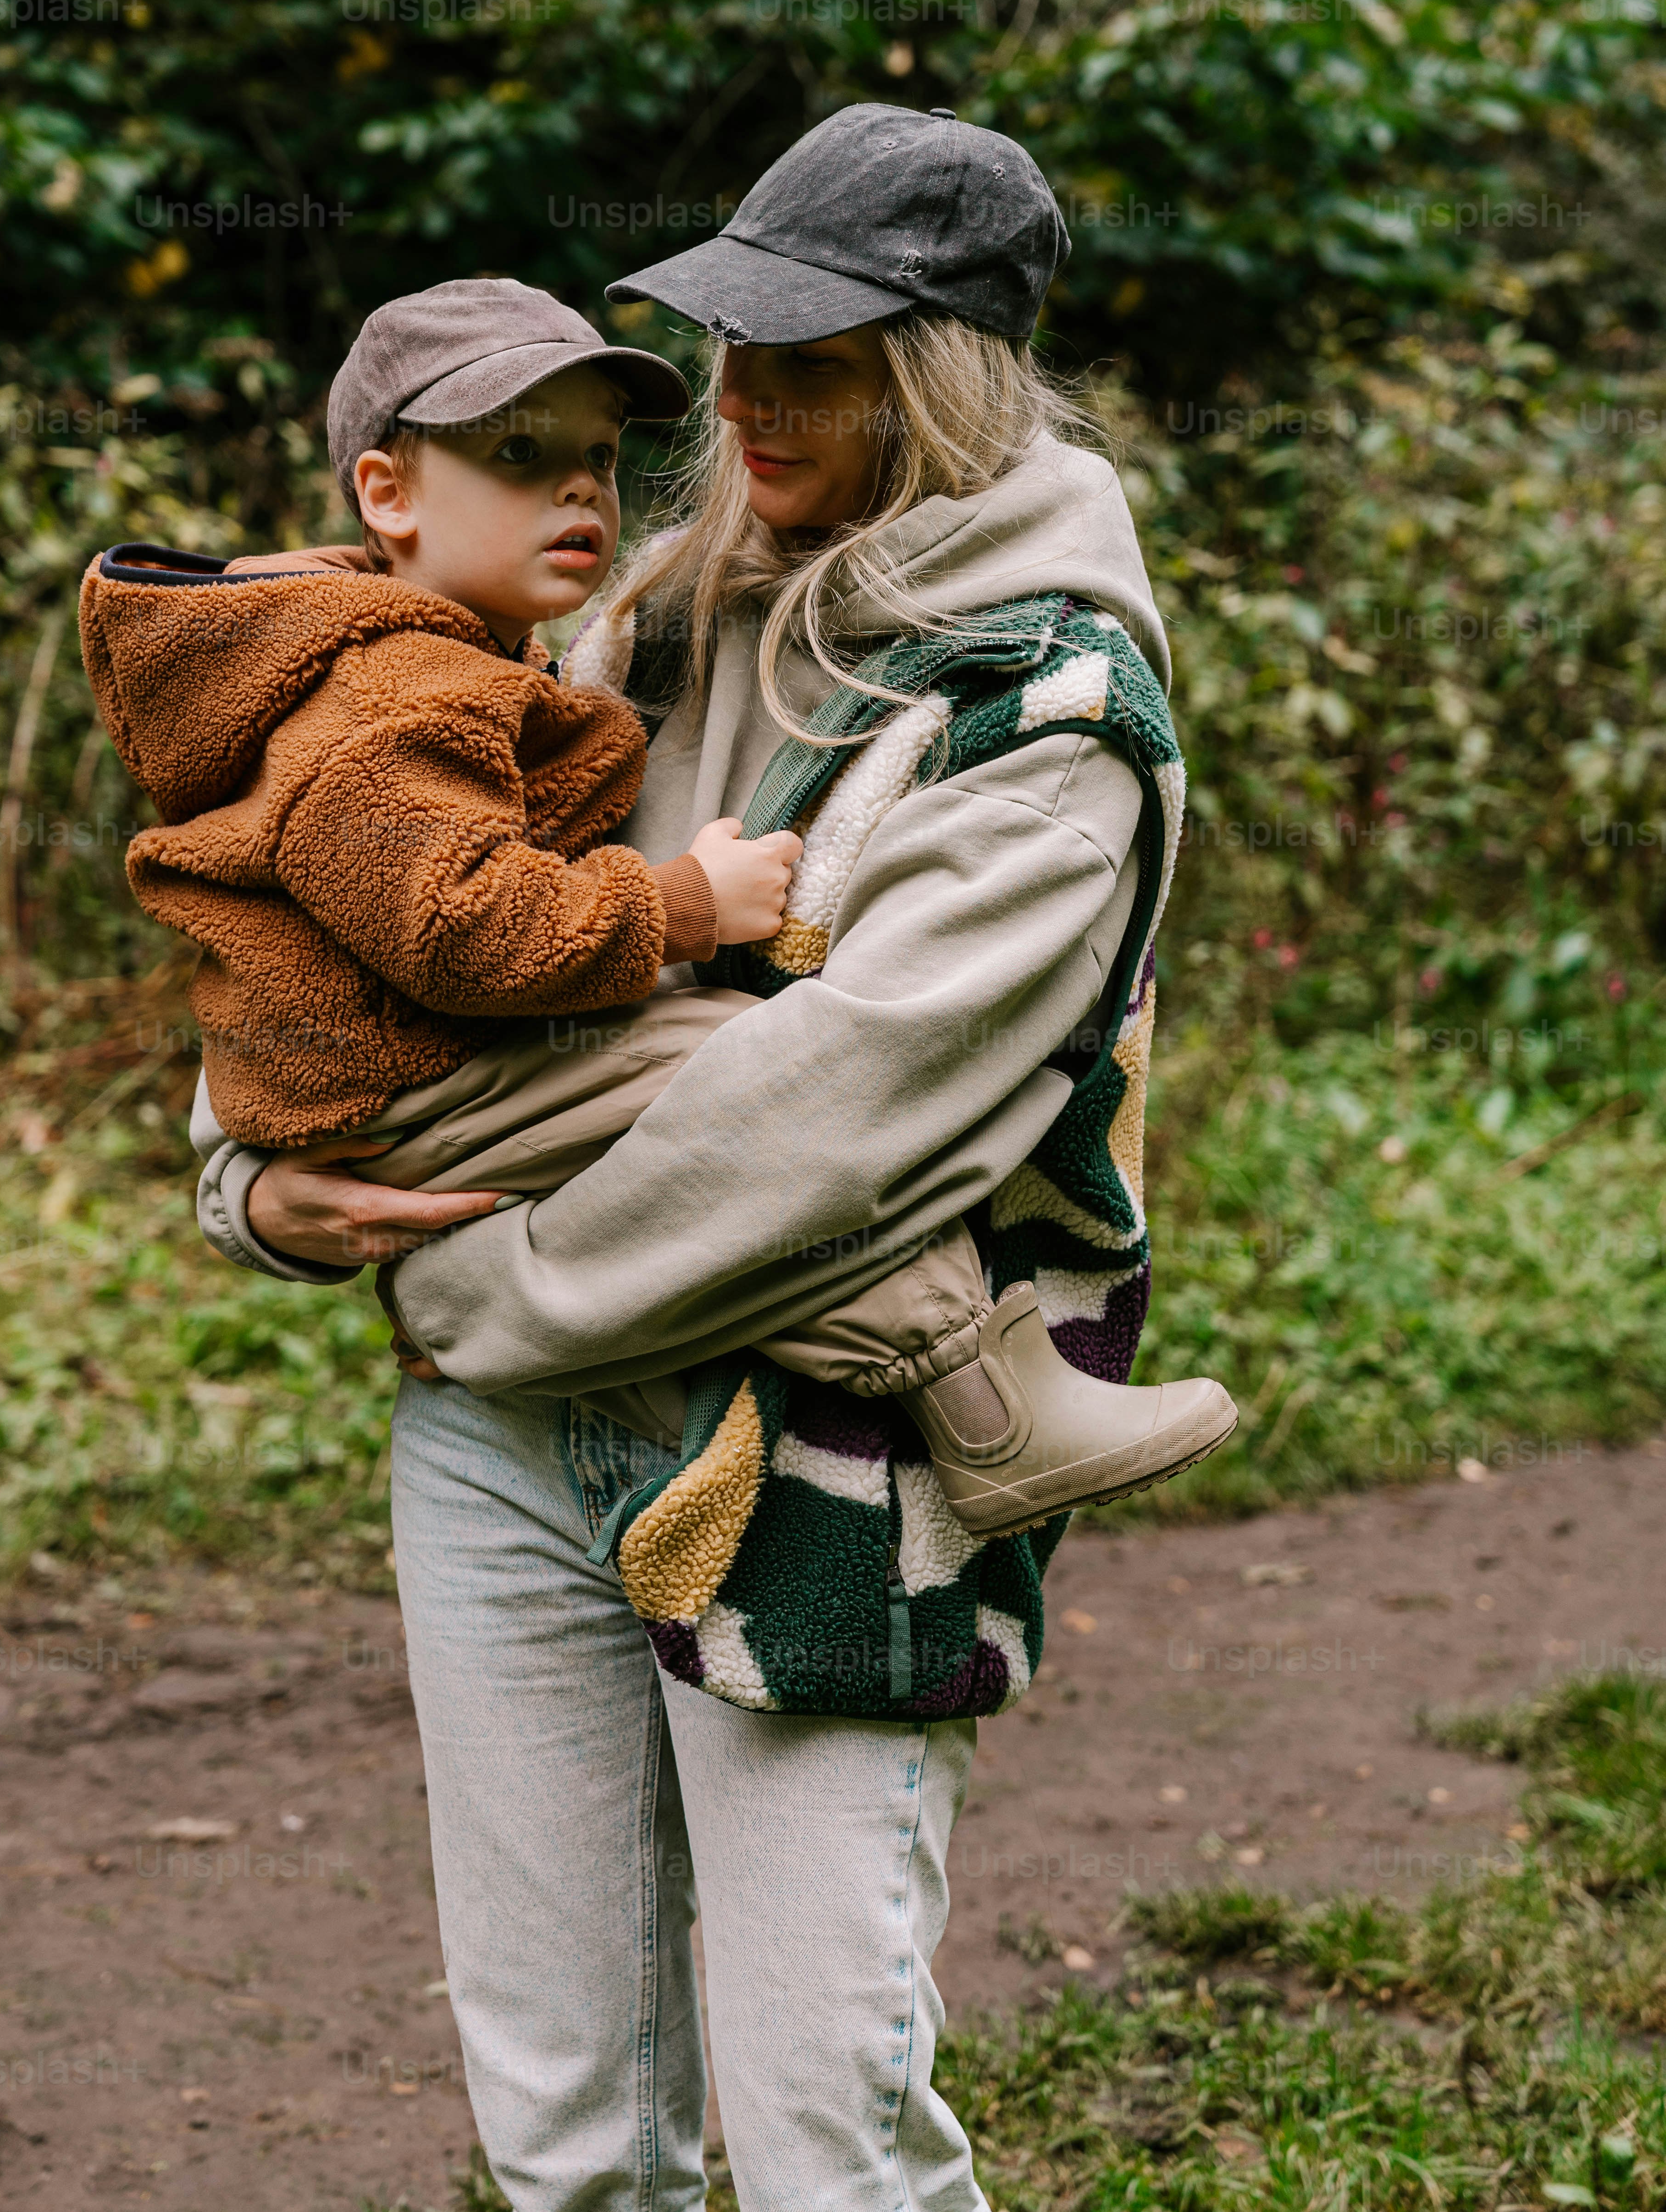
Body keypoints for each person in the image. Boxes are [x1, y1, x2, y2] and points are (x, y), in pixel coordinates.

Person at [193, 102, 1229, 2212]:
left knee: (838, 2179)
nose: (739, 403)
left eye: (809, 361)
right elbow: (381, 914)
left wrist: (469, 1296)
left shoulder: (1047, 711)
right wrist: (254, 1189)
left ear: (938, 375)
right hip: (502, 1457)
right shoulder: (655, 619)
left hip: (822, 1460)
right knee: (576, 2173)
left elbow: (831, 1115)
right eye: (730, 347)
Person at [93, 270, 1231, 1537]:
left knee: (761, 1114)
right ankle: (990, 1396)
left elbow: (835, 1128)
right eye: (521, 455)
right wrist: (681, 906)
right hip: (420, 1098)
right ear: (387, 494)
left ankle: (991, 1405)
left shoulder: (1036, 703)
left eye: (596, 455)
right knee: (715, 1062)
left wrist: (379, 1246)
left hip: (473, 1161)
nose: (582, 488)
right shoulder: (410, 693)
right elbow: (462, 929)